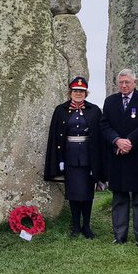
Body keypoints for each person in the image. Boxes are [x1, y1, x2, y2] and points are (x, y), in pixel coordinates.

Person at [100, 69, 138, 246]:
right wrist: (117, 141)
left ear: (135, 82)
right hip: (118, 156)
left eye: (127, 82)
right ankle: (119, 235)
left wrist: (130, 141)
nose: (124, 86)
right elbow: (104, 125)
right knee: (120, 199)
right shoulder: (110, 101)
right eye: (121, 83)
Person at [43, 76, 104, 238]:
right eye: (76, 91)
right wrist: (58, 159)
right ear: (70, 92)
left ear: (86, 93)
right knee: (73, 193)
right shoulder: (60, 110)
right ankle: (76, 226)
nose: (78, 94)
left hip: (88, 158)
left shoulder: (94, 110)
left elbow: (99, 136)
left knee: (87, 194)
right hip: (69, 158)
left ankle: (87, 227)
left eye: (82, 91)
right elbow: (55, 136)